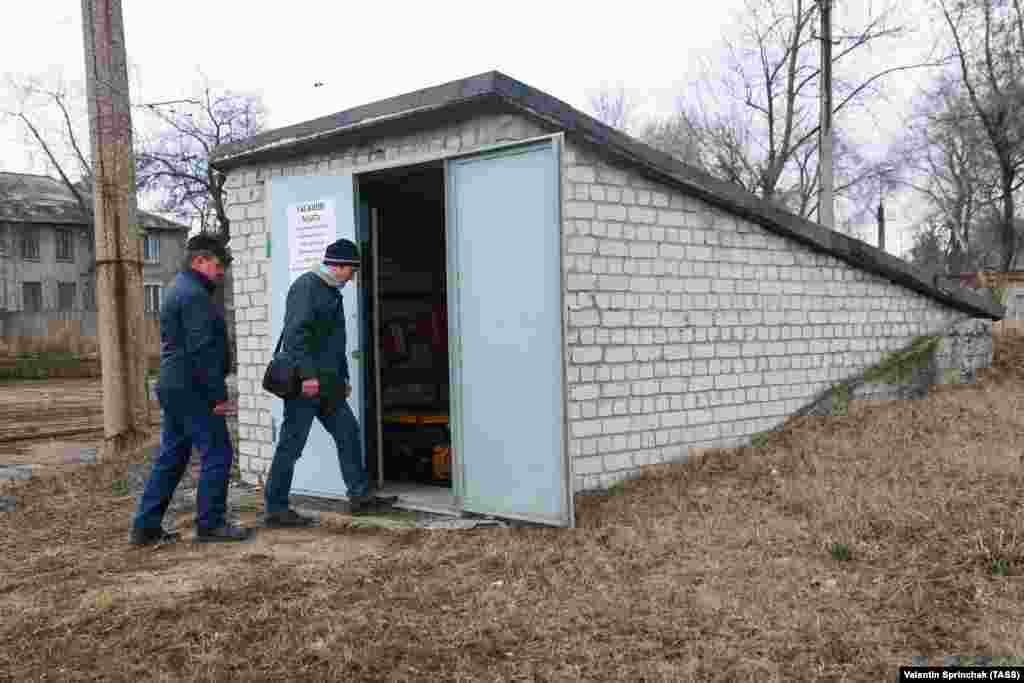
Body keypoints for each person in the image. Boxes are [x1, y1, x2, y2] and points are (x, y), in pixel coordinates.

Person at [129, 234, 252, 545]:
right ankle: (210, 524)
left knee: (172, 455)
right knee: (218, 453)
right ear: (200, 260)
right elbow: (202, 350)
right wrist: (217, 397)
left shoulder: (178, 289)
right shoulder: (194, 294)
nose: (221, 270)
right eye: (218, 263)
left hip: (175, 385)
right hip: (193, 387)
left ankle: (145, 526)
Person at [263, 238, 395, 526]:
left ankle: (360, 497)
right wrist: (308, 376)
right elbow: (296, 335)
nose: (353, 277)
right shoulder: (307, 287)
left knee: (348, 433)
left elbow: (334, 343)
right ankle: (275, 508)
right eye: (352, 270)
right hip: (306, 386)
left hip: (329, 385)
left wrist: (343, 378)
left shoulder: (332, 290)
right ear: (338, 266)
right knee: (291, 446)